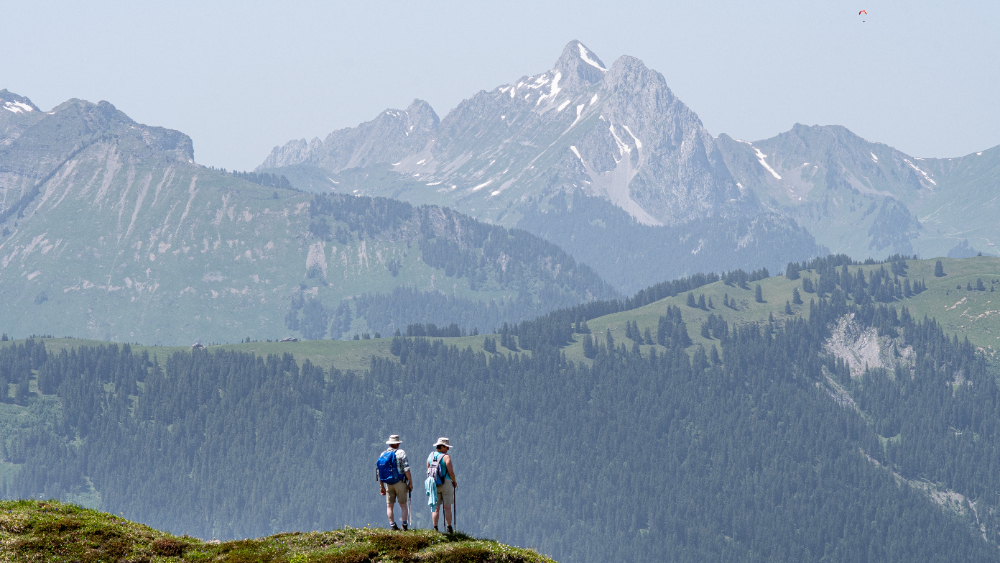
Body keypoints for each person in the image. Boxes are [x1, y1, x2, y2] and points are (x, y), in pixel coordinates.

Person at [377, 434, 412, 531]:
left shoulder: (383, 454)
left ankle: (392, 525)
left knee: (389, 505)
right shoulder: (401, 453)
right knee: (403, 504)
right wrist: (410, 482)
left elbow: (379, 472)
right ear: (397, 443)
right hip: (400, 482)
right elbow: (406, 469)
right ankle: (404, 526)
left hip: (388, 483)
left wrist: (381, 486)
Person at [428, 437, 457, 533]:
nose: (448, 449)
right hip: (446, 483)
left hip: (434, 484)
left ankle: (435, 528)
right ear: (442, 447)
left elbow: (428, 471)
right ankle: (449, 528)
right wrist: (454, 482)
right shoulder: (446, 457)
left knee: (436, 508)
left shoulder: (430, 456)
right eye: (447, 447)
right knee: (447, 507)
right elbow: (451, 472)